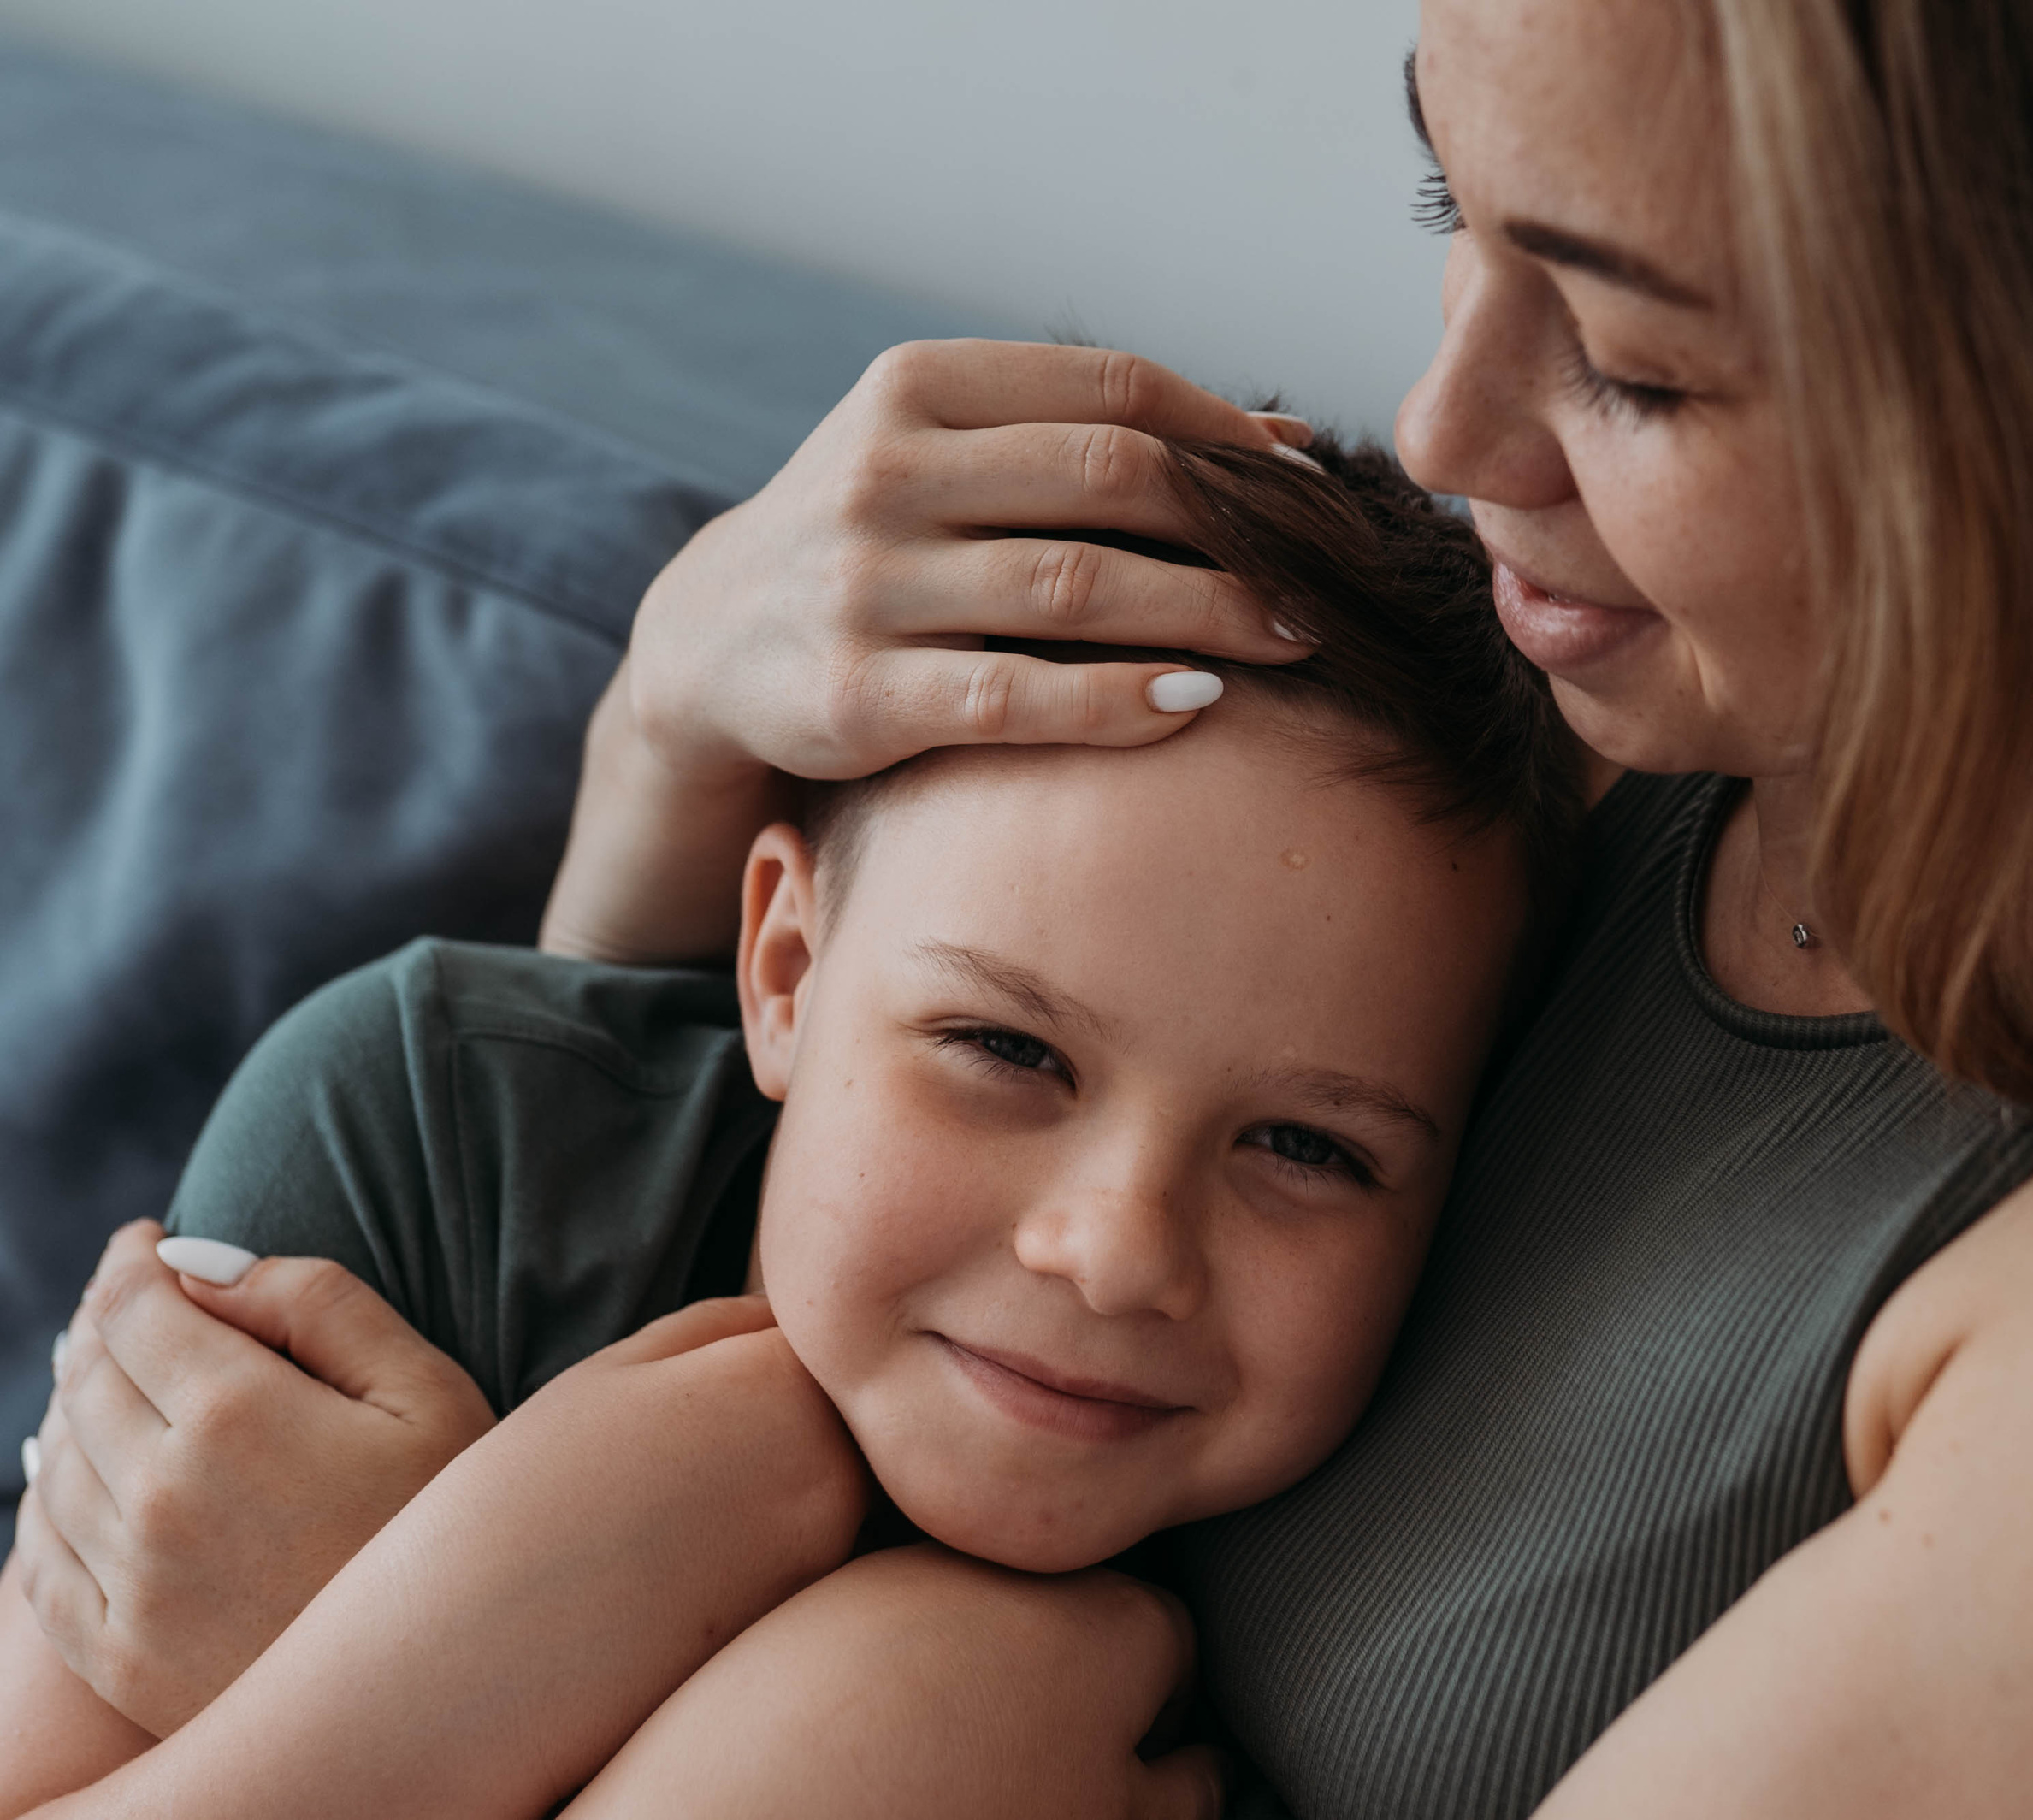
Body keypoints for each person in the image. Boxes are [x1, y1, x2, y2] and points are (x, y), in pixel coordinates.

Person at [12, 0, 2033, 1810]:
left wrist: (517, 1680)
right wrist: (674, 724)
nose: (1442, 430)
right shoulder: (1566, 694)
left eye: (1635, 357)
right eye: (1448, 206)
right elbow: (648, 1107)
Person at [1, 439, 1574, 1816]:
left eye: (1307, 1148)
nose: (1114, 1254)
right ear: (787, 971)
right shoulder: (447, 1119)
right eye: (1005, 1047)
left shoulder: (1414, 1588)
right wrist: (458, 1648)